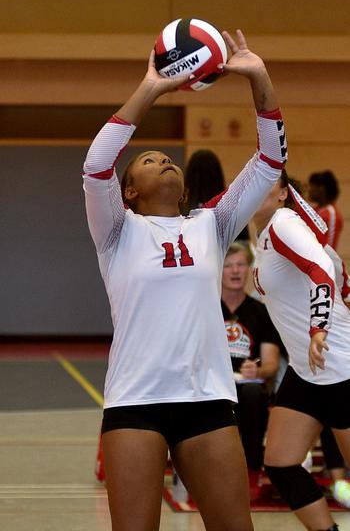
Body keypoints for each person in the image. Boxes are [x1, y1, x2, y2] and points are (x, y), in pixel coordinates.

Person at [83, 29, 287, 531]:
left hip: (208, 401)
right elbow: (96, 165)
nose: (164, 159)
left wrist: (258, 78)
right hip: (136, 402)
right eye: (149, 160)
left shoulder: (211, 224)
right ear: (129, 191)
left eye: (167, 156)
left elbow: (269, 162)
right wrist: (152, 87)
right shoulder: (116, 230)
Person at [252, 169, 350, 531]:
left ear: (282, 194)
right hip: (306, 370)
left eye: (266, 183)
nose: (255, 189)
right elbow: (340, 275)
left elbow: (322, 267)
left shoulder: (284, 222)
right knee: (280, 463)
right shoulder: (262, 238)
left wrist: (319, 328)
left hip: (338, 363)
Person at [221, 242, 284, 500]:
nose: (235, 271)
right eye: (228, 266)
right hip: (215, 385)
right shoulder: (205, 309)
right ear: (218, 270)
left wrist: (257, 370)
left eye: (240, 264)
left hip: (248, 385)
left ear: (249, 269)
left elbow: (270, 364)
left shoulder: (261, 312)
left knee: (252, 394)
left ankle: (252, 470)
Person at [182, 148, 250, 242]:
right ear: (218, 175)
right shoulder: (231, 206)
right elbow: (243, 244)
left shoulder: (179, 208)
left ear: (189, 175)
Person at [308, 170, 343, 250]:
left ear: (321, 188)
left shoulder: (330, 214)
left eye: (312, 186)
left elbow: (330, 247)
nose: (309, 190)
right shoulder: (313, 210)